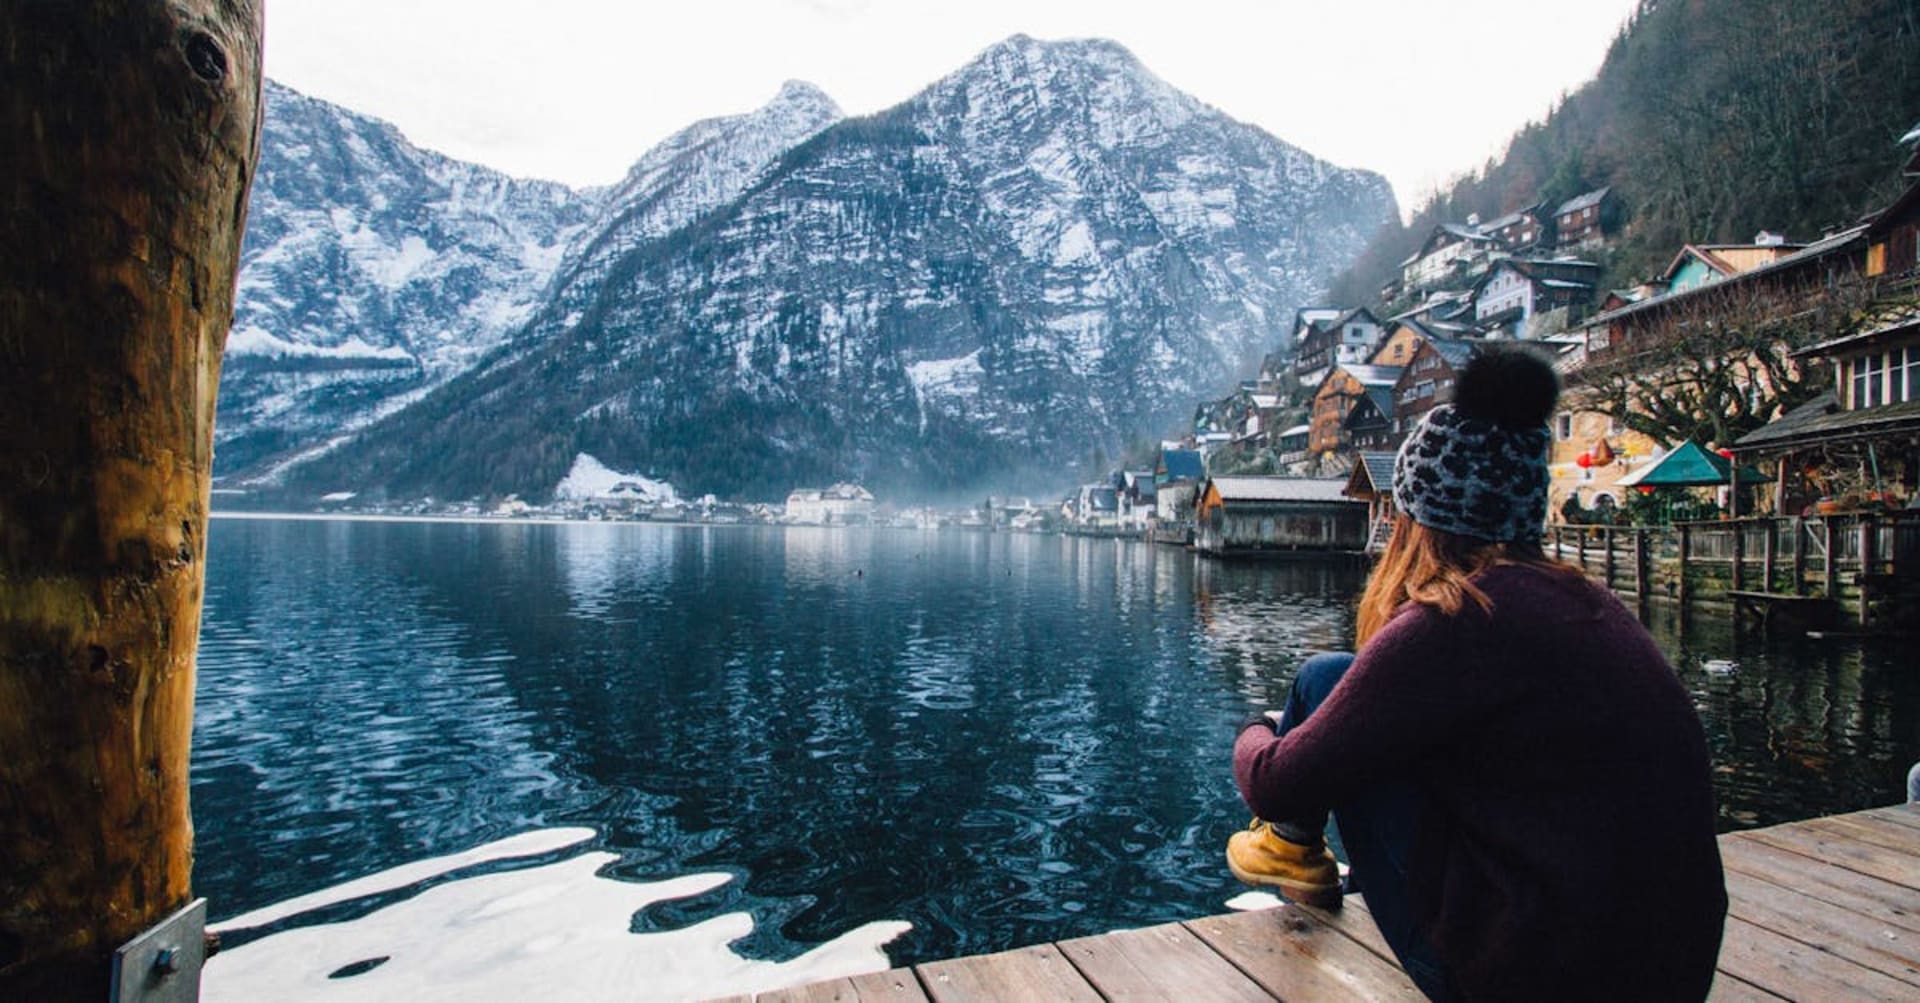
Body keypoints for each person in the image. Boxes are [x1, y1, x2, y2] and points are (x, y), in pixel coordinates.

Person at [1229, 347, 1728, 1001]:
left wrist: (1257, 728)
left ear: (1417, 518)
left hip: (1534, 985)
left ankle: (1292, 851)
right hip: (1674, 977)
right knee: (1338, 684)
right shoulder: (1590, 603)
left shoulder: (1454, 617)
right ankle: (1294, 850)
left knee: (1324, 690)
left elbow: (1273, 781)